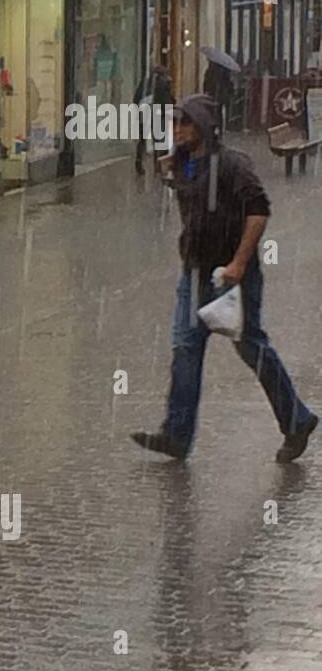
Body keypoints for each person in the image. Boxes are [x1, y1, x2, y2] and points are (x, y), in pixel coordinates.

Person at [132, 94, 317, 463]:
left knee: (253, 349)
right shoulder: (185, 164)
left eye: (185, 123)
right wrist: (171, 169)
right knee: (185, 350)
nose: (177, 130)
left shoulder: (233, 165)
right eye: (175, 123)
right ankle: (176, 435)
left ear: (203, 127)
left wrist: (238, 264)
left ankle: (297, 420)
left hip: (232, 279)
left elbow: (259, 212)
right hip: (195, 273)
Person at [134, 63, 174, 175]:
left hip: (144, 113)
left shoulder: (145, 83)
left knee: (142, 139)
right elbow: (166, 101)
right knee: (158, 140)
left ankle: (138, 162)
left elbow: (136, 97)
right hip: (157, 114)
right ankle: (157, 165)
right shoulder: (164, 84)